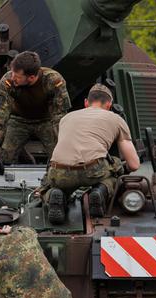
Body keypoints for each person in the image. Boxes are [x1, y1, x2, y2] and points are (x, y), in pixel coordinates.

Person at [45, 83, 140, 224]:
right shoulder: (116, 119)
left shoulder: (66, 118)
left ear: (85, 103)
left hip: (59, 170)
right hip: (92, 171)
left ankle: (56, 195)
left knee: (51, 185)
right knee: (116, 166)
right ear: (109, 105)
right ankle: (100, 192)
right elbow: (133, 165)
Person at [0, 51, 71, 175]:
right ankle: (22, 154)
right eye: (12, 72)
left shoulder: (53, 81)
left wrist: (61, 148)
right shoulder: (8, 81)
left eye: (18, 76)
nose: (13, 77)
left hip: (46, 122)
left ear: (31, 77)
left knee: (61, 160)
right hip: (18, 120)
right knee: (3, 158)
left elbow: (59, 118)